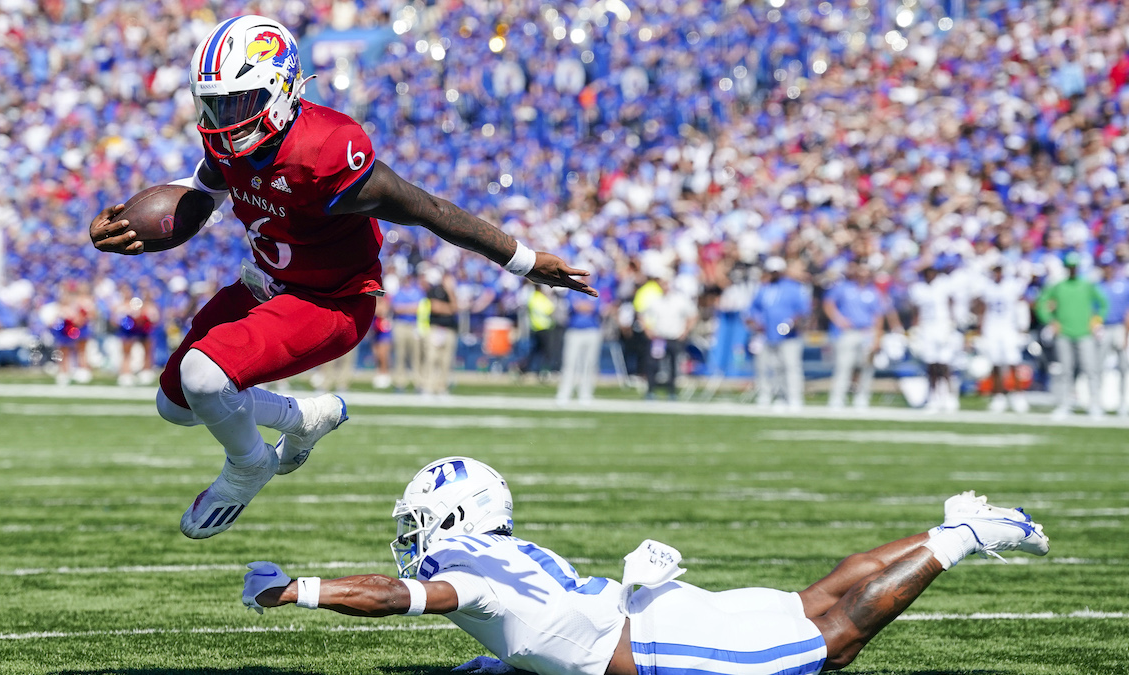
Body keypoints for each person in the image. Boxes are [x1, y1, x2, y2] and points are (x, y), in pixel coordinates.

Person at [87, 16, 594, 539]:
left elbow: (428, 208)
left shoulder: (325, 152)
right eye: (214, 104)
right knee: (176, 404)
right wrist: (134, 222)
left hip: (330, 302)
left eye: (237, 103)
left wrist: (525, 260)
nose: (222, 119)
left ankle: (248, 466)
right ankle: (298, 417)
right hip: (263, 282)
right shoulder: (233, 142)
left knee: (203, 376)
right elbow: (202, 191)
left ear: (281, 88)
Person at [241, 456, 1049, 675]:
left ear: (451, 520)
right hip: (652, 614)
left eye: (420, 525)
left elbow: (391, 593)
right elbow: (531, 635)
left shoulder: (465, 568)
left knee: (828, 640)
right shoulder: (508, 550)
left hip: (660, 645)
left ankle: (966, 537)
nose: (414, 540)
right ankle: (951, 525)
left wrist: (295, 589)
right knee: (813, 603)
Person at [1035, 252, 1108, 419]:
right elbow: (1041, 304)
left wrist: (1097, 320)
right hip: (1064, 333)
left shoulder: (1086, 285)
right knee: (1065, 370)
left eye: (1075, 266)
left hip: (1085, 333)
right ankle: (1064, 404)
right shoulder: (1059, 286)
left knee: (1091, 369)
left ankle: (1095, 404)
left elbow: (1103, 304)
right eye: (1070, 266)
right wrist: (1050, 321)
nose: (1073, 269)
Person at [824, 262, 901, 410]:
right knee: (843, 366)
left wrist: (877, 338)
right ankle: (837, 397)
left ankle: (862, 397)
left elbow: (878, 317)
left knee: (866, 367)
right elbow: (828, 304)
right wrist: (839, 319)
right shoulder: (844, 288)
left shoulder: (874, 292)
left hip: (867, 332)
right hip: (848, 332)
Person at [746, 257, 811, 409]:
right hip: (767, 335)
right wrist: (756, 324)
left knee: (790, 367)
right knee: (769, 368)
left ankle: (794, 397)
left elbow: (803, 312)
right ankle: (772, 395)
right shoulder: (763, 289)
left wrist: (792, 324)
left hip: (789, 336)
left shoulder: (794, 289)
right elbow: (751, 311)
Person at [973, 262, 1030, 413]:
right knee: (996, 363)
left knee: (1013, 362)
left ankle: (1018, 395)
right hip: (992, 328)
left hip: (1009, 327)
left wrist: (1022, 326)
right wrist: (980, 329)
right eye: (995, 271)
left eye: (999, 271)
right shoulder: (987, 286)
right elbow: (981, 308)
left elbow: (1021, 305)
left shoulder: (1012, 285)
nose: (997, 274)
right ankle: (999, 395)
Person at [908, 266, 961, 413]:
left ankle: (949, 396)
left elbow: (951, 301)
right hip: (927, 327)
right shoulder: (918, 288)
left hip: (942, 326)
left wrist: (952, 322)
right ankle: (933, 396)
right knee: (931, 364)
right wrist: (915, 326)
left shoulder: (943, 285)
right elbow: (916, 309)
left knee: (944, 363)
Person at [641, 273, 698, 400]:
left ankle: (671, 391)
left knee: (673, 365)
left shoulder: (680, 300)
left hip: (674, 337)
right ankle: (651, 390)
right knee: (653, 364)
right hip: (659, 338)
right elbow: (643, 314)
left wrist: (686, 331)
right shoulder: (655, 300)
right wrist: (648, 330)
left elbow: (692, 315)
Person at [556, 287, 604, 405]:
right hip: (574, 330)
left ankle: (585, 393)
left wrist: (583, 306)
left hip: (592, 331)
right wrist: (586, 306)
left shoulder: (596, 290)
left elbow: (598, 308)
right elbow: (574, 306)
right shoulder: (572, 290)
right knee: (570, 363)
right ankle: (565, 393)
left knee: (589, 364)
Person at [1097, 259, 1129, 416]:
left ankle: (1123, 402)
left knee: (1124, 367)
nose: (1108, 269)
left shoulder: (1124, 285)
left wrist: (1126, 334)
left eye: (1110, 266)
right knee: (1099, 366)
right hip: (1103, 328)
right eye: (1105, 266)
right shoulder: (1098, 286)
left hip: (1120, 327)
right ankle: (1098, 402)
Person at [422, 267, 459, 397]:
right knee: (432, 358)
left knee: (446, 360)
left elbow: (455, 307)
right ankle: (428, 386)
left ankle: (442, 387)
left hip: (449, 329)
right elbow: (435, 307)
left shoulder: (452, 292)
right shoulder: (434, 290)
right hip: (436, 328)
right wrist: (449, 308)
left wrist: (450, 291)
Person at [389, 271, 426, 393]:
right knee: (400, 355)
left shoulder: (418, 292)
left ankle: (418, 382)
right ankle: (400, 382)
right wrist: (411, 308)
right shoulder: (399, 292)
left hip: (413, 325)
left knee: (416, 356)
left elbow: (420, 308)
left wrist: (406, 308)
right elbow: (396, 308)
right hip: (400, 324)